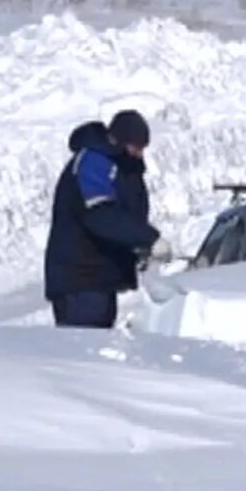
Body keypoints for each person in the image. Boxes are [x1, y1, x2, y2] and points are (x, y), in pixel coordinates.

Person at [43, 108, 163, 328]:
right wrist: (148, 238)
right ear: (119, 141)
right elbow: (100, 214)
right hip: (80, 279)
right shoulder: (93, 162)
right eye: (135, 147)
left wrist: (136, 248)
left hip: (99, 279)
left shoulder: (118, 164)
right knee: (84, 350)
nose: (139, 154)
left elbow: (126, 211)